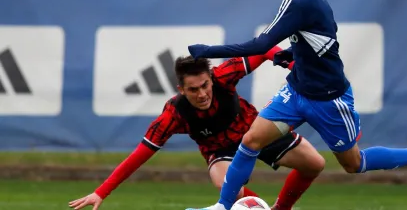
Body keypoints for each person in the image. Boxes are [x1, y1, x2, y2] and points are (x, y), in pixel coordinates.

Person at [186, 0, 407, 210]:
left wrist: (208, 50)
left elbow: (260, 46)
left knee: (353, 163)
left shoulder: (301, 1)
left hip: (329, 100)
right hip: (297, 91)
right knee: (250, 140)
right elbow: (323, 40)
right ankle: (223, 206)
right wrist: (293, 54)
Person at [68, 46, 325, 210]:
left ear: (211, 78)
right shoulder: (174, 113)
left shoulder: (223, 76)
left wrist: (290, 65)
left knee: (315, 163)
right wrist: (101, 192)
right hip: (219, 149)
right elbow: (139, 156)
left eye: (205, 85)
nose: (202, 94)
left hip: (254, 131)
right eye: (193, 89)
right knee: (225, 184)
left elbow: (265, 50)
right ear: (181, 89)